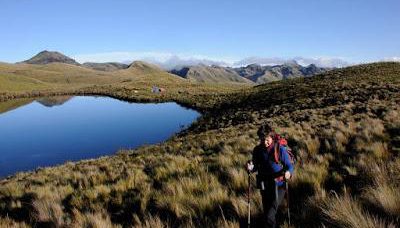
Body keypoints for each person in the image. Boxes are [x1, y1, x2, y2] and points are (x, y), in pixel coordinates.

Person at [247, 124, 294, 228]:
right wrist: (250, 167)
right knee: (267, 214)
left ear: (271, 137)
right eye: (262, 139)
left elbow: (289, 166)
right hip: (264, 185)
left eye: (267, 139)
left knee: (269, 215)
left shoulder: (279, 149)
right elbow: (255, 167)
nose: (265, 142)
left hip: (279, 185)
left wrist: (288, 173)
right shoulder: (257, 150)